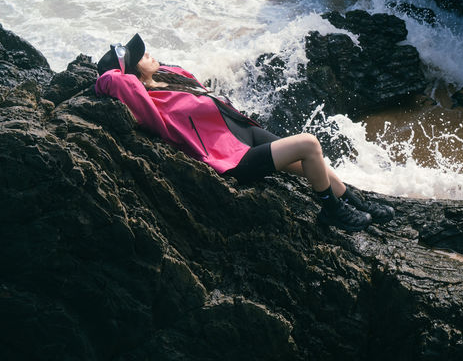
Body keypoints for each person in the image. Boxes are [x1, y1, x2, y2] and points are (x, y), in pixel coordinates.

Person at [95, 33, 394, 232]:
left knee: (312, 163)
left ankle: (356, 204)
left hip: (242, 133)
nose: (150, 55)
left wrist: (137, 63)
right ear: (132, 73)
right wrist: (119, 67)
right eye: (142, 57)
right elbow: (113, 82)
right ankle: (331, 211)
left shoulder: (168, 77)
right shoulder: (150, 102)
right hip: (234, 161)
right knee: (309, 145)